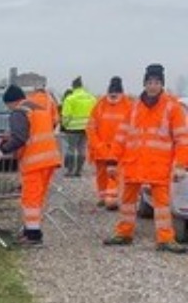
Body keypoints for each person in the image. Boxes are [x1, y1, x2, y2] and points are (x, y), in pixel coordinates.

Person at [104, 64, 188, 253]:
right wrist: (112, 160)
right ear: (145, 83)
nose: (153, 86)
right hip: (133, 163)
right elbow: (121, 136)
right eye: (150, 82)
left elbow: (183, 139)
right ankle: (123, 234)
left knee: (162, 205)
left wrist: (182, 164)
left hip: (159, 165)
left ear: (162, 84)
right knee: (126, 202)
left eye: (157, 82)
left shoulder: (172, 108)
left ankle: (165, 239)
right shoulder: (134, 108)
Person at [0, 84, 62, 245]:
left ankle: (33, 236)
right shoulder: (39, 109)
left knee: (30, 199)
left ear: (11, 102)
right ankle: (30, 231)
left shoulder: (19, 112)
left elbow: (20, 137)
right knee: (37, 197)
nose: (9, 109)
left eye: (8, 106)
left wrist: (1, 151)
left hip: (34, 161)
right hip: (50, 159)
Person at [86, 76, 133, 210]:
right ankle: (103, 197)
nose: (113, 95)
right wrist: (98, 145)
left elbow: (132, 128)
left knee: (117, 175)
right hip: (101, 148)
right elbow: (91, 128)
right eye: (111, 92)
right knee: (102, 175)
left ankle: (114, 199)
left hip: (119, 150)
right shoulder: (100, 105)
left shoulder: (128, 105)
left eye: (116, 92)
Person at [60, 76, 97, 177]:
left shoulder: (70, 99)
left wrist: (65, 126)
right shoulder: (91, 98)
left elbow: (66, 115)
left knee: (71, 149)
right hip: (86, 128)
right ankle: (79, 171)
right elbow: (96, 113)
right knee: (82, 149)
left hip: (72, 128)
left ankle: (70, 171)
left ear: (73, 86)